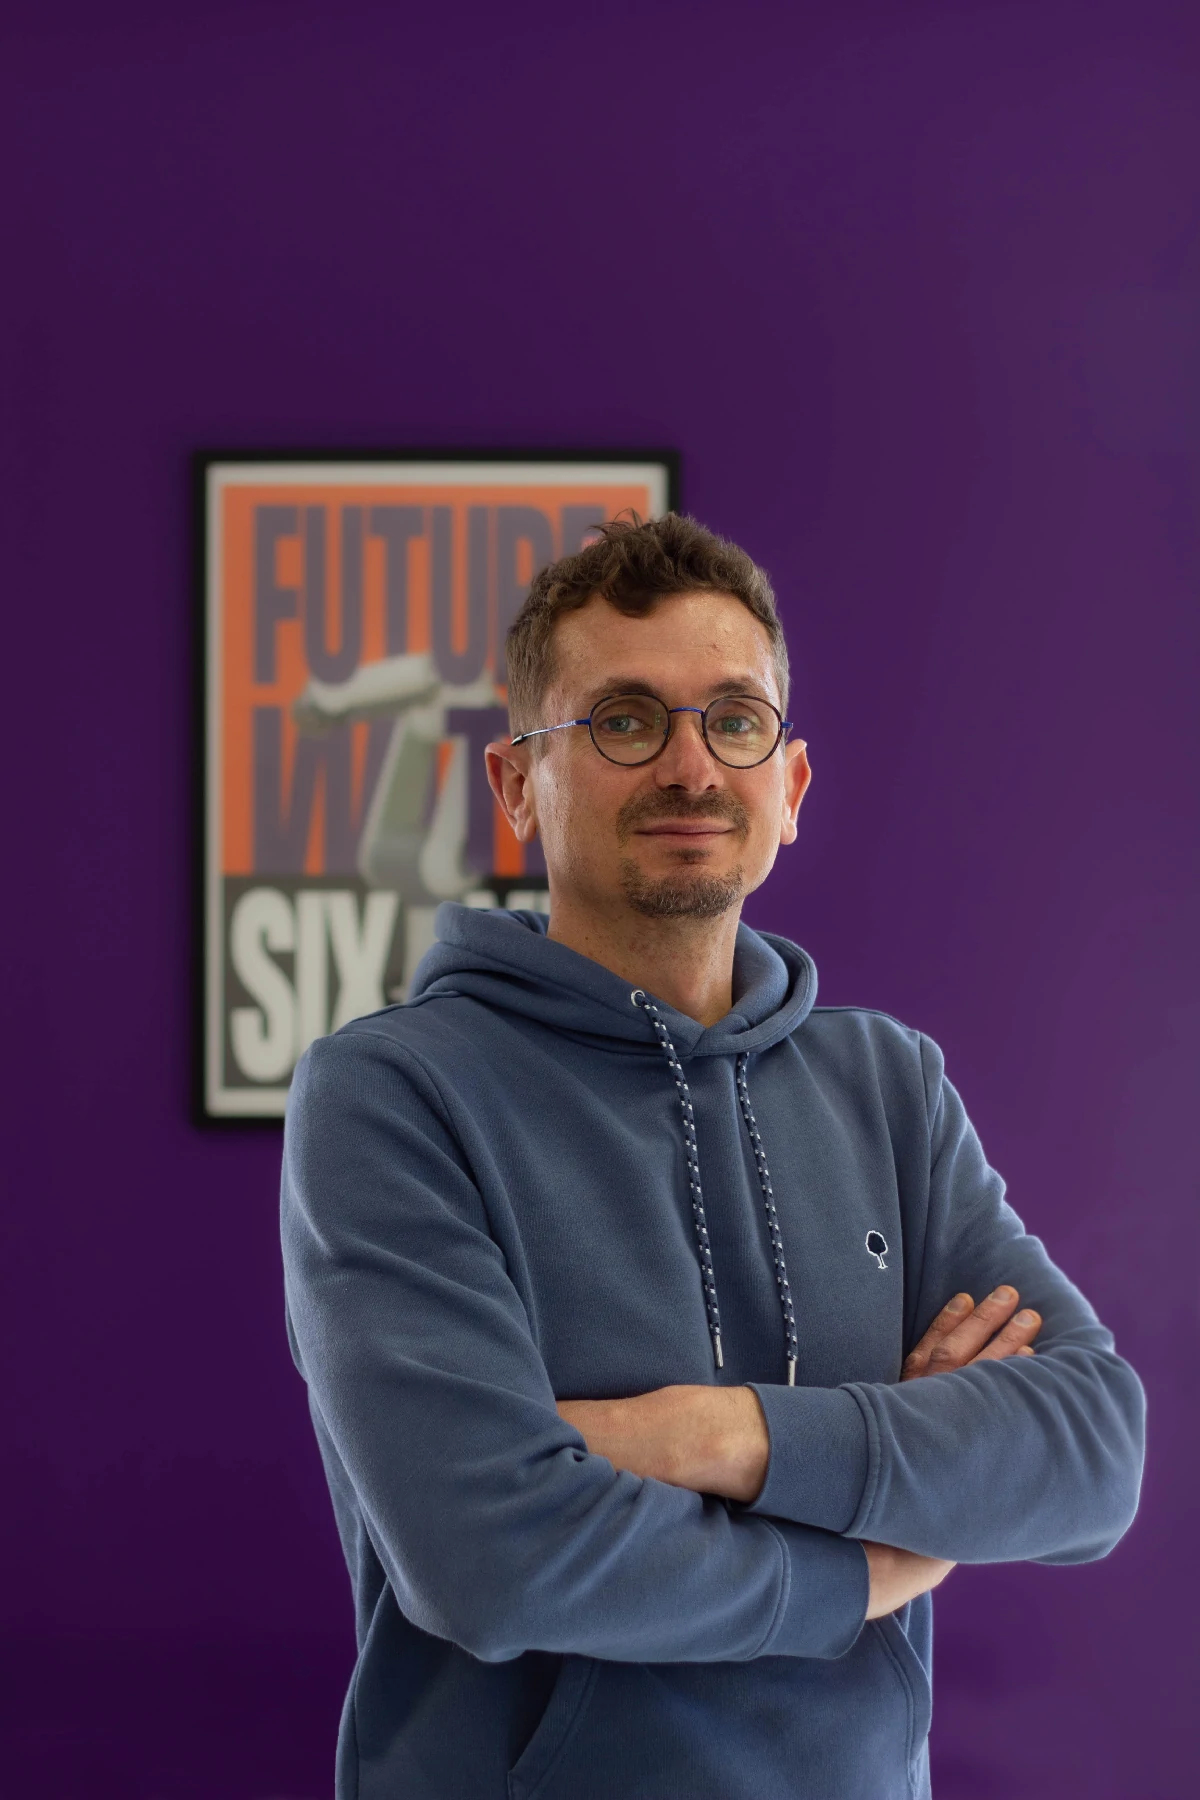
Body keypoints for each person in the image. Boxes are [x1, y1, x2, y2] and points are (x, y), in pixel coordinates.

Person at [281, 514, 1144, 1800]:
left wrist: (713, 1434)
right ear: (516, 784)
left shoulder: (889, 1084)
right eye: (624, 720)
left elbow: (1090, 1453)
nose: (690, 766)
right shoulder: (393, 1093)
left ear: (788, 788)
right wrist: (860, 1562)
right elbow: (489, 1555)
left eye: (733, 720)